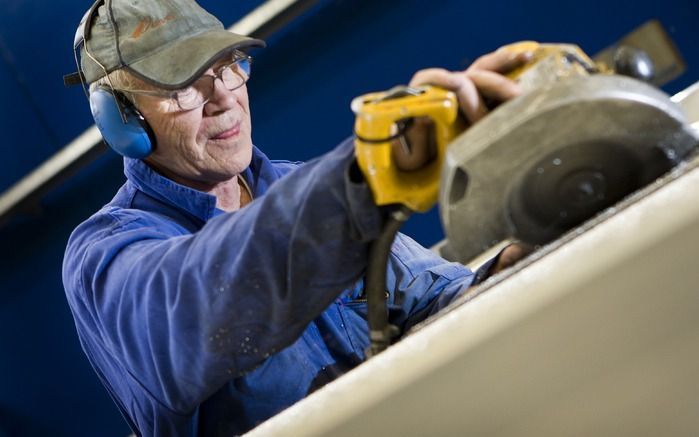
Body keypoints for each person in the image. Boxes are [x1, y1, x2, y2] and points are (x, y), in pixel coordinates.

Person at [62, 0, 531, 435]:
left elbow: (430, 301)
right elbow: (205, 299)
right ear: (121, 121)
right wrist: (372, 173)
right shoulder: (106, 254)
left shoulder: (300, 185)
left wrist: (525, 260)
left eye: (225, 68)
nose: (223, 98)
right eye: (182, 87)